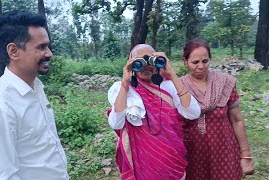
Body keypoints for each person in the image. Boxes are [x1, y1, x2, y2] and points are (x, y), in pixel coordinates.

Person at [0, 10, 69, 179]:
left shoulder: (36, 88)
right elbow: (5, 175)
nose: (49, 54)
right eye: (41, 47)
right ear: (14, 51)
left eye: (48, 46)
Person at [107, 44, 201, 179]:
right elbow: (116, 124)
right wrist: (125, 83)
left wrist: (171, 74)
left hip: (171, 157)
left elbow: (194, 113)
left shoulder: (169, 86)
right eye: (139, 61)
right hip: (144, 162)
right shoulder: (123, 90)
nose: (146, 66)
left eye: (149, 61)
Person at [180, 39, 254, 179]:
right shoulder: (178, 87)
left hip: (224, 152)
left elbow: (237, 121)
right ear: (185, 61)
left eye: (205, 61)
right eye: (195, 62)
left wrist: (245, 155)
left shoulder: (225, 83)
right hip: (192, 154)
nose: (201, 66)